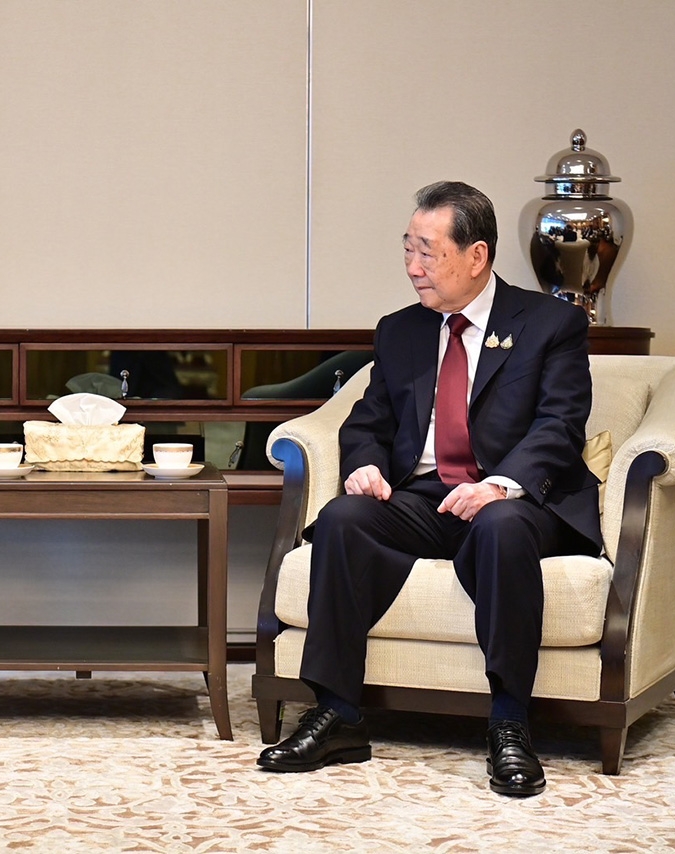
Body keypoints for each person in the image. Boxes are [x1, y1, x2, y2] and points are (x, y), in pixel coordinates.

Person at [256, 181, 602, 797]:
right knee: (342, 519)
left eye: (427, 252)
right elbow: (368, 421)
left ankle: (510, 723)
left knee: (501, 526)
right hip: (424, 498)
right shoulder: (401, 330)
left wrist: (500, 486)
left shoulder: (551, 323)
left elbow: (560, 424)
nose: (413, 267)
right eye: (408, 250)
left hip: (514, 502)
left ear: (477, 256)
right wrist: (365, 466)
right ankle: (337, 713)